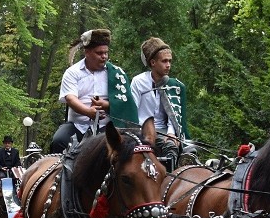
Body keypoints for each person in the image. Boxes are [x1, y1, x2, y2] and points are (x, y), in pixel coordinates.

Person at [49, 28, 138, 154]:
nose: (104, 57)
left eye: (106, 53)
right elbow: (70, 98)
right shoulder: (72, 72)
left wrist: (107, 105)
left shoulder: (117, 74)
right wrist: (88, 112)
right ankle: (63, 174)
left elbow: (126, 103)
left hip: (107, 127)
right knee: (59, 140)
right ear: (87, 52)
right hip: (77, 125)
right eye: (99, 53)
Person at [130, 36, 190, 171]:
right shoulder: (138, 82)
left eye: (170, 61)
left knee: (173, 146)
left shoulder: (174, 85)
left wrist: (171, 133)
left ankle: (172, 179)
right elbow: (133, 110)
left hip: (164, 131)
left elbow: (174, 117)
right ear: (152, 62)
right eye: (164, 61)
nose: (168, 65)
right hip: (142, 130)